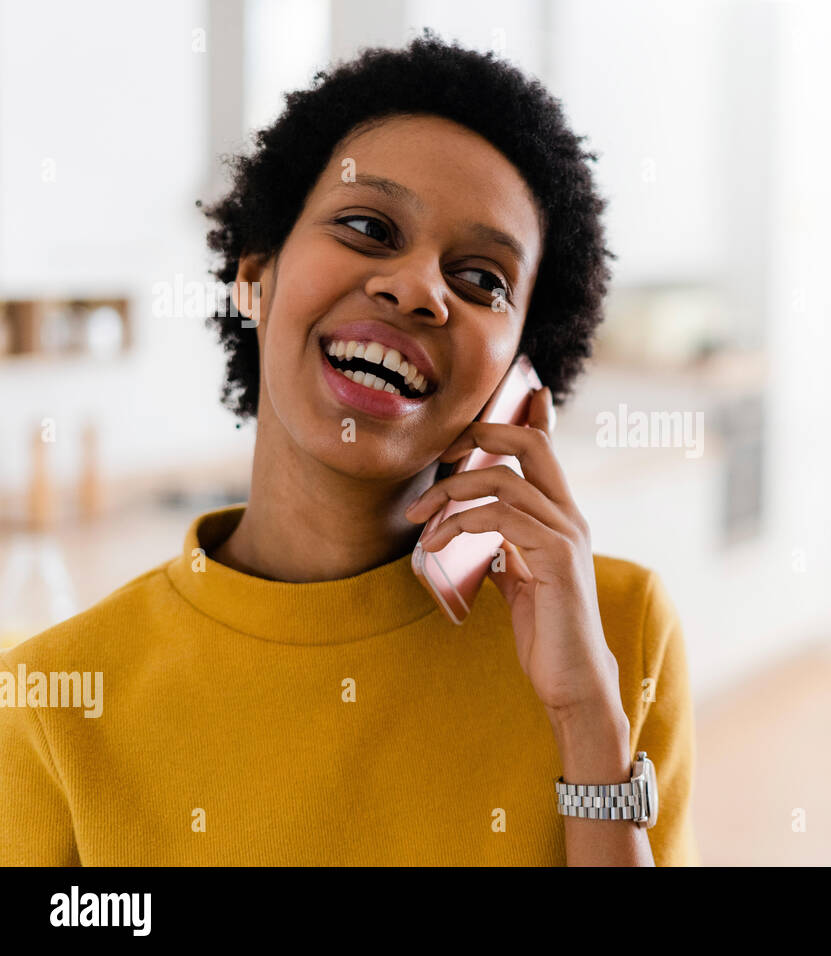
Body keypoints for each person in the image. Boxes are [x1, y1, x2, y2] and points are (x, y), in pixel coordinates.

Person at [0, 31, 701, 867]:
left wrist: (587, 717)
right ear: (255, 277)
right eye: (369, 226)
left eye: (482, 279)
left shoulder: (615, 634)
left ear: (519, 370)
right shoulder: (50, 701)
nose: (417, 287)